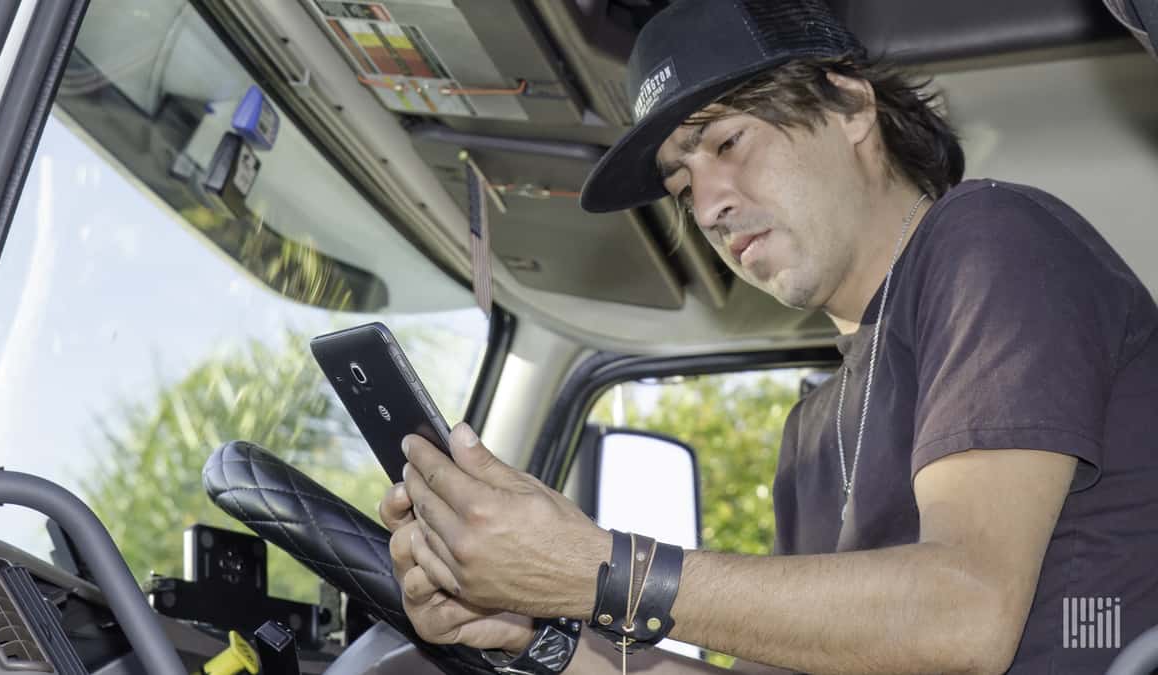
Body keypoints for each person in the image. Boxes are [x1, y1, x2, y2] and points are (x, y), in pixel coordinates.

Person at [378, 0, 1158, 672]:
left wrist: (596, 567)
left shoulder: (989, 240)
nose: (709, 203)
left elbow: (968, 609)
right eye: (683, 185)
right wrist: (534, 633)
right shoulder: (812, 433)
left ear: (852, 107)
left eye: (727, 142)